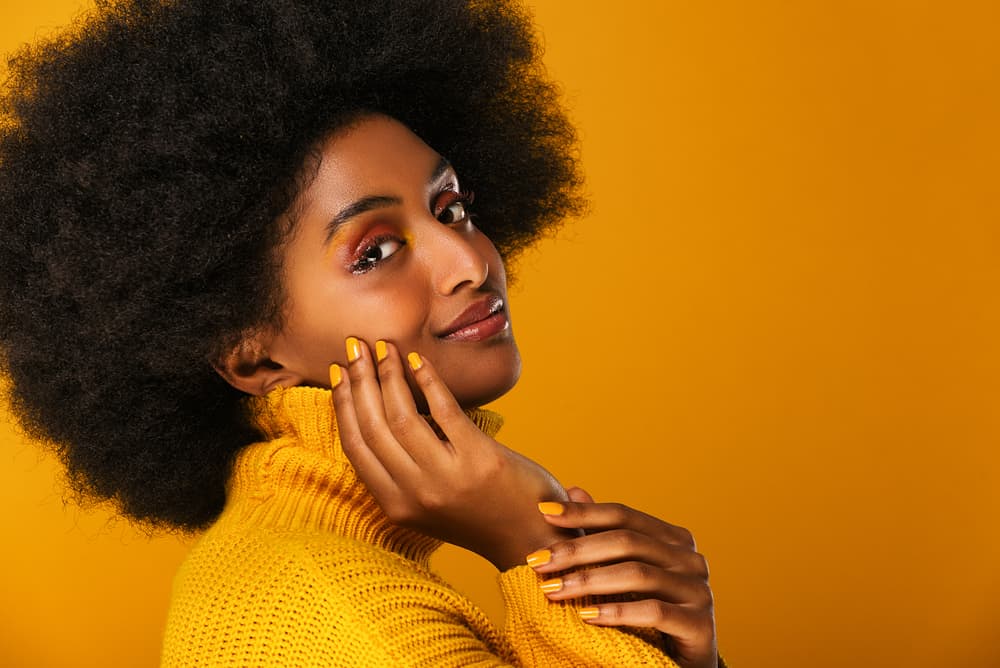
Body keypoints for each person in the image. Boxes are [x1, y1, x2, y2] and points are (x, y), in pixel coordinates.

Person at [0, 0, 721, 666]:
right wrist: (532, 538)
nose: (469, 261)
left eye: (452, 209)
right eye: (373, 251)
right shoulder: (345, 617)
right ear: (250, 355)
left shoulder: (313, 562)